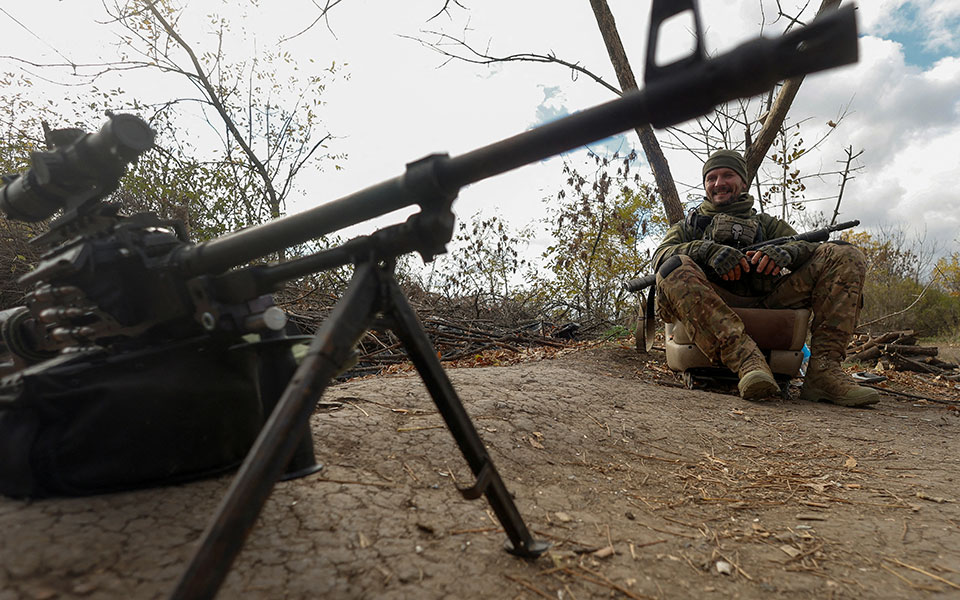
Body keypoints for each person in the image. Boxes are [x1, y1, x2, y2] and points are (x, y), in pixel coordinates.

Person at [652, 149, 878, 407]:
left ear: (744, 182)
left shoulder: (768, 224)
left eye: (728, 175)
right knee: (673, 266)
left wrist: (785, 252)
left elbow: (808, 247)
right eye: (711, 178)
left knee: (844, 254)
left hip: (769, 298)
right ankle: (747, 362)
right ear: (705, 185)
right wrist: (706, 250)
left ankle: (824, 373)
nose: (719, 183)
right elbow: (660, 256)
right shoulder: (688, 227)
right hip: (713, 303)